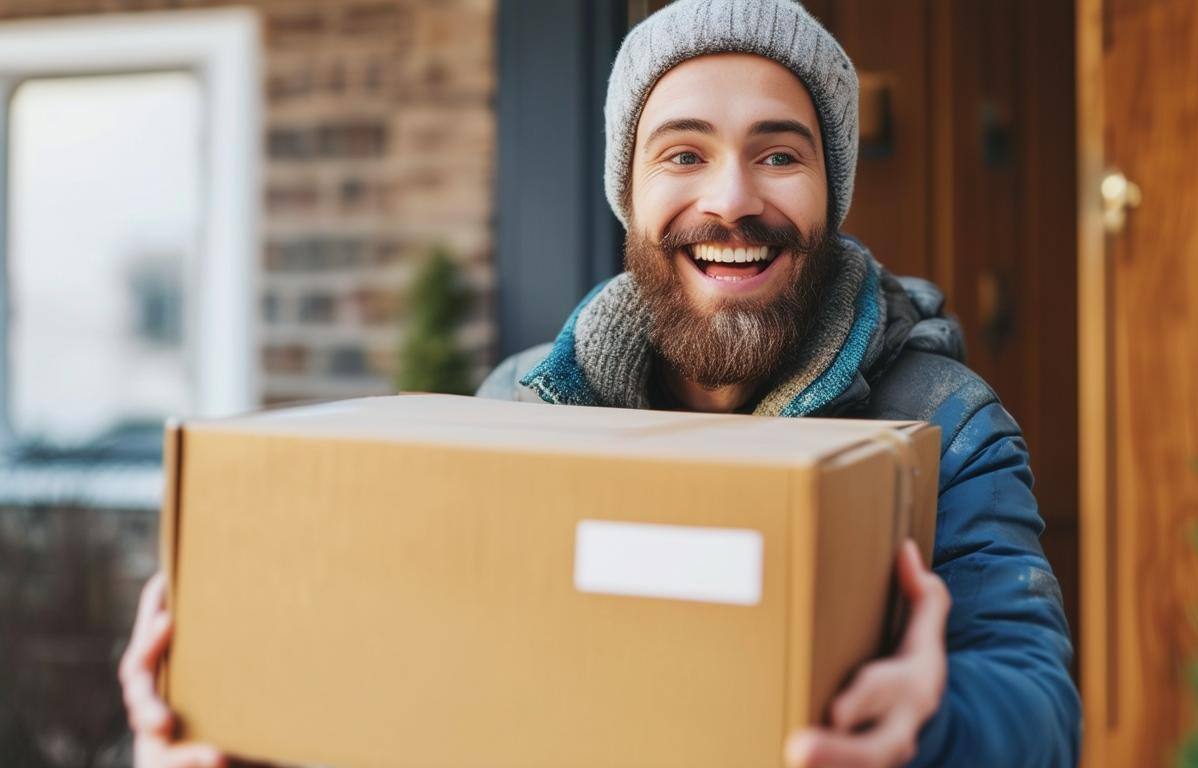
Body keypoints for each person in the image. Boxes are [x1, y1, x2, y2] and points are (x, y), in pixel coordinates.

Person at [120, 1, 1080, 766]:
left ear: (831, 195)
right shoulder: (519, 409)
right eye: (684, 154)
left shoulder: (940, 425)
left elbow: (1038, 709)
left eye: (780, 155)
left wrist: (935, 719)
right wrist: (224, 707)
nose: (733, 198)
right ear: (632, 191)